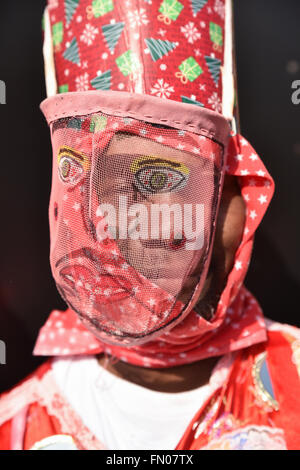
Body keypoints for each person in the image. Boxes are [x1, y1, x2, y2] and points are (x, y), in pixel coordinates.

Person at [1, 0, 300, 450]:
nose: (138, 221)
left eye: (165, 178)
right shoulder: (20, 426)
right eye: (103, 183)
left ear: (238, 194)